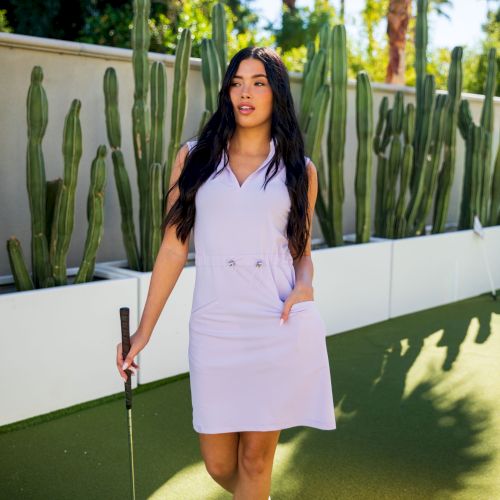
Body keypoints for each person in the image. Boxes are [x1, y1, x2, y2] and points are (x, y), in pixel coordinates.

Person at [116, 46, 336, 499]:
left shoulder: (300, 169)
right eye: (237, 83)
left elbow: (301, 252)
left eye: (258, 82)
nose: (245, 93)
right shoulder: (194, 157)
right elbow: (174, 250)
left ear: (277, 93)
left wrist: (306, 285)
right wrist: (144, 330)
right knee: (219, 463)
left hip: (275, 321)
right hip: (215, 323)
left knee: (256, 460)